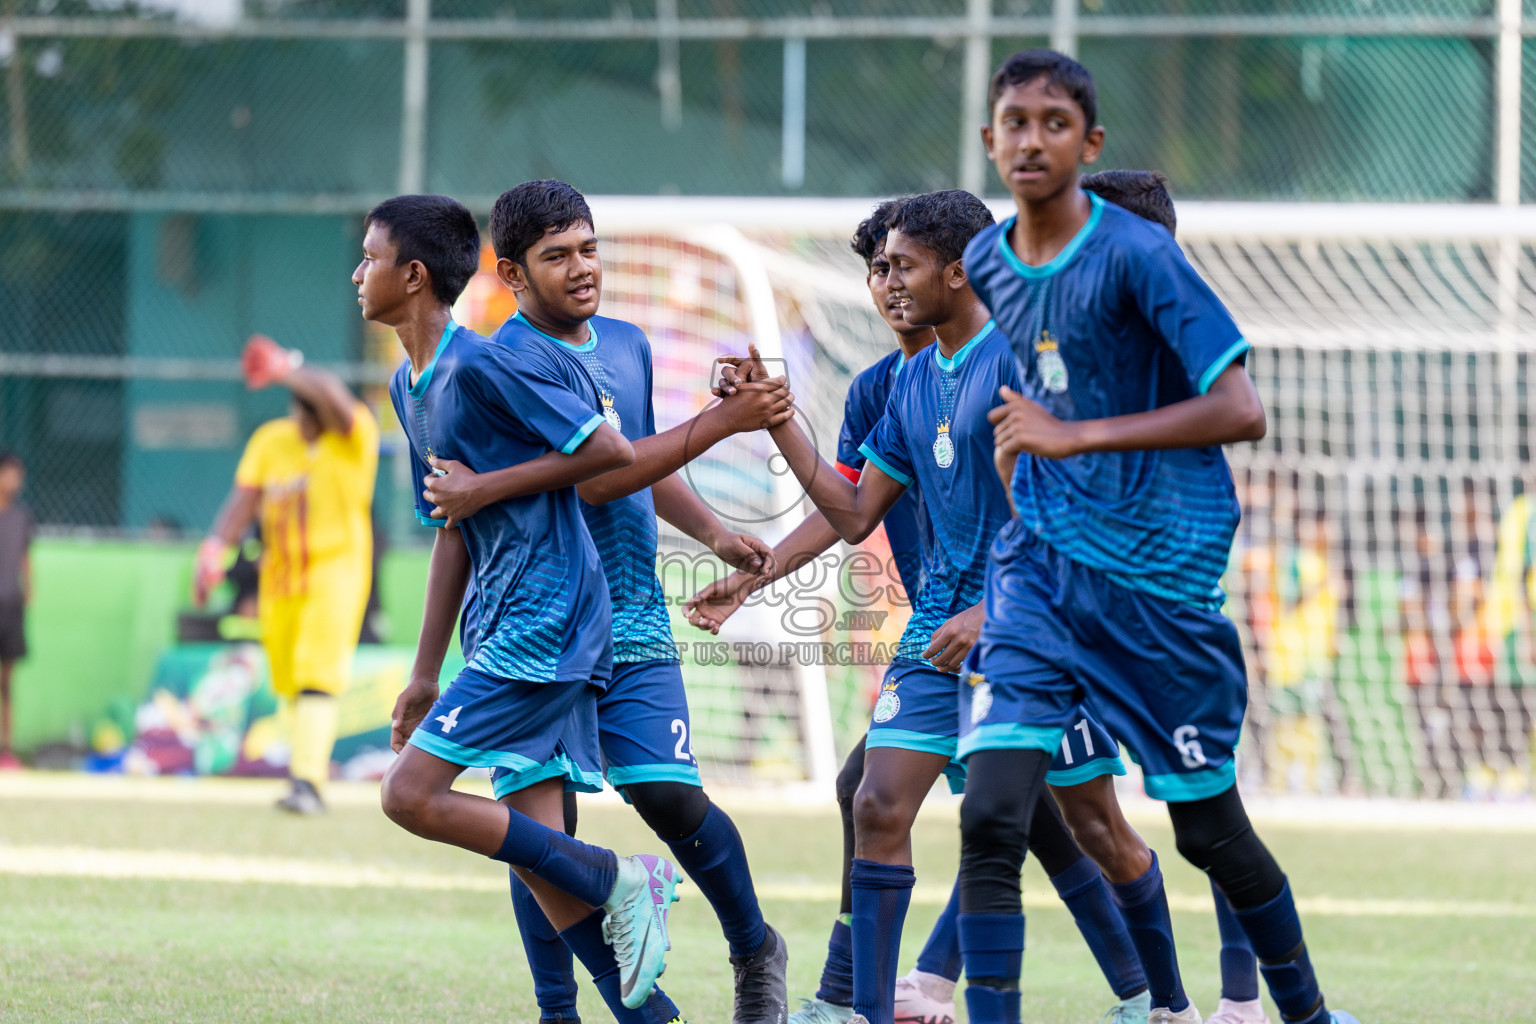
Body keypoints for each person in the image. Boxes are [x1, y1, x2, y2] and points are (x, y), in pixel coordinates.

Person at [959, 49, 1358, 1024]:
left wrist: (1074, 436)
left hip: (1158, 581)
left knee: (1209, 832)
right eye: (1015, 121)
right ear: (989, 138)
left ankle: (1302, 1014)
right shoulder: (983, 261)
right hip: (1042, 574)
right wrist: (1022, 464)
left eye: (1055, 123)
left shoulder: (1140, 254)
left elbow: (1241, 407)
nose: (1031, 139)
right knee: (990, 811)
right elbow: (1034, 387)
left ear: (1088, 142)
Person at [689, 199, 1151, 1024]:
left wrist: (995, 609)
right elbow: (852, 511)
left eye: (900, 265)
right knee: (875, 798)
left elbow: (1084, 505)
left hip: (1027, 631)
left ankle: (1166, 998)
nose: (885, 284)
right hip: (935, 630)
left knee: (1076, 823)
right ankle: (862, 1005)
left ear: (959, 270)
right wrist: (774, 432)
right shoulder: (895, 385)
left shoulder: (1023, 360)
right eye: (877, 269)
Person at [418, 178, 793, 1024]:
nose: (582, 268)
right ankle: (563, 1011)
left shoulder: (627, 343)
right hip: (539, 615)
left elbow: (644, 472)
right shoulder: (502, 364)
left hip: (629, 608)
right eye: (558, 257)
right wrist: (724, 423)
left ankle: (753, 948)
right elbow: (592, 480)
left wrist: (716, 536)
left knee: (668, 795)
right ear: (512, 273)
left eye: (589, 248)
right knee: (544, 832)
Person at [363, 193, 684, 1022]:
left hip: (549, 617)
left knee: (409, 796)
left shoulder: (485, 364)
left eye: (368, 259)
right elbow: (451, 525)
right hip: (499, 622)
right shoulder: (411, 383)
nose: (356, 275)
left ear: (412, 275)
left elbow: (608, 451)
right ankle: (632, 1016)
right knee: (540, 852)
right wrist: (425, 671)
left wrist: (485, 485)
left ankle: (621, 877)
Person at [1077, 166, 1274, 1024]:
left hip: (1163, 613)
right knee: (1030, 801)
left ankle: (1238, 1001)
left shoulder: (1183, 337)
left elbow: (1237, 422)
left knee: (1206, 817)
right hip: (1068, 609)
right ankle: (1162, 1003)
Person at [196, 332, 379, 814]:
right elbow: (243, 501)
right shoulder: (272, 442)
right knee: (289, 680)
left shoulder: (353, 437)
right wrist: (215, 549)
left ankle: (308, 781)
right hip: (279, 579)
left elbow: (337, 400)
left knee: (317, 672)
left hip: (335, 573)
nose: (300, 414)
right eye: (296, 404)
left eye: (307, 403)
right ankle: (304, 772)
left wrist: (284, 366)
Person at [0, 451, 33, 771]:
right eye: (9, 473)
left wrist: (30, 592)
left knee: (7, 683)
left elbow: (25, 557)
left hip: (10, 608)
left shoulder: (21, 517)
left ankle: (6, 749)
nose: (15, 480)